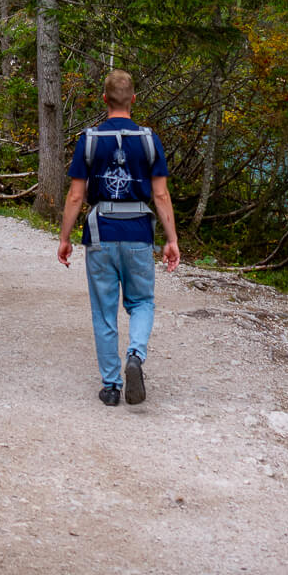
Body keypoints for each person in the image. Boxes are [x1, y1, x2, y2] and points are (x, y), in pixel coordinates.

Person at [57, 69, 180, 406]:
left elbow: (75, 197)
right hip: (139, 232)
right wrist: (171, 240)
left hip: (101, 233)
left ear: (104, 99)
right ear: (133, 100)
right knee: (142, 302)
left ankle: (111, 386)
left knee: (104, 310)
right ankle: (135, 356)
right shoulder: (149, 140)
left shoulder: (90, 139)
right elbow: (161, 196)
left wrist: (65, 237)